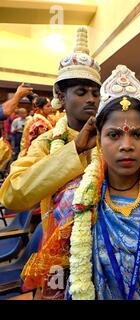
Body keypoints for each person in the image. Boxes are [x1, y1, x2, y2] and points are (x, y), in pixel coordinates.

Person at [21, 65, 140, 300]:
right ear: (97, 138)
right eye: (114, 134)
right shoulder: (74, 198)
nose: (126, 145)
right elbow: (57, 275)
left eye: (138, 135)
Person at [0, 27, 101, 233]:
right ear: (62, 98)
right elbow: (12, 195)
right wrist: (75, 149)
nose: (91, 98)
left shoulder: (112, 137)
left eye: (95, 92)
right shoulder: (46, 141)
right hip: (59, 253)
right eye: (82, 92)